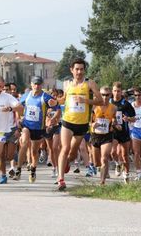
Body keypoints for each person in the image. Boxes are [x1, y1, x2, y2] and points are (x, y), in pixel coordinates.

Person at [57, 58, 103, 191]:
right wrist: (57, 102)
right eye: (77, 69)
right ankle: (61, 179)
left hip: (82, 124)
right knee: (65, 148)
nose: (79, 72)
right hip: (67, 121)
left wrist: (85, 100)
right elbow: (64, 99)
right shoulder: (67, 84)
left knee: (71, 153)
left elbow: (100, 101)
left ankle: (67, 163)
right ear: (72, 70)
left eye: (82, 69)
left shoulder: (90, 83)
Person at [14, 76, 60, 183]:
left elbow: (57, 108)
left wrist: (54, 116)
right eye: (35, 84)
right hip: (27, 126)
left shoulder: (45, 97)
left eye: (39, 84)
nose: (36, 86)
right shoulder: (27, 95)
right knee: (24, 143)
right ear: (31, 84)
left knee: (34, 151)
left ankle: (33, 170)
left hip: (39, 129)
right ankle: (19, 170)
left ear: (41, 85)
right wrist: (18, 119)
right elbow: (18, 106)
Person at [90, 86, 118, 185]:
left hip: (107, 135)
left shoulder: (114, 108)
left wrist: (115, 123)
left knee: (104, 158)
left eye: (107, 95)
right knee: (97, 162)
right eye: (102, 95)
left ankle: (102, 182)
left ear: (110, 95)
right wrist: (92, 124)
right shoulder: (93, 107)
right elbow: (88, 122)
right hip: (95, 135)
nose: (105, 97)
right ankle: (103, 171)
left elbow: (116, 121)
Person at [110, 81, 136, 183]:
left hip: (124, 132)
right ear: (112, 91)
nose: (116, 93)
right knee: (113, 152)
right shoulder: (109, 102)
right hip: (113, 131)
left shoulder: (126, 104)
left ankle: (126, 175)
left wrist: (128, 119)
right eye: (115, 91)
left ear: (121, 92)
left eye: (118, 91)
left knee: (125, 155)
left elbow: (134, 118)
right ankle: (117, 164)